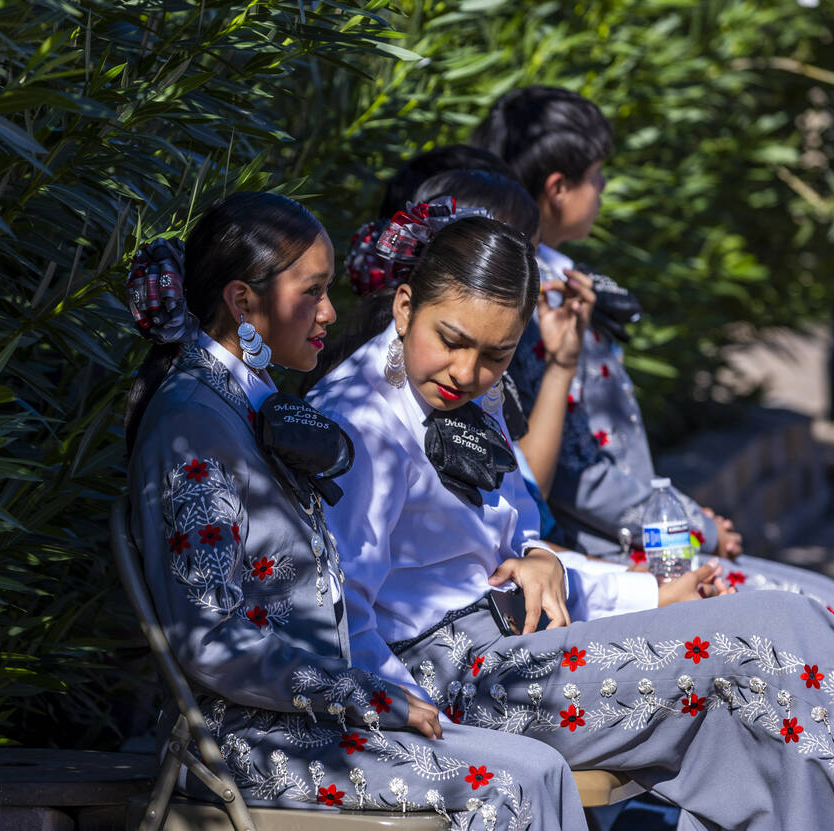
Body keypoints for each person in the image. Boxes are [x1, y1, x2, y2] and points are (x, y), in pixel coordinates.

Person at [309, 213, 834, 831]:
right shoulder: (358, 421)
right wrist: (414, 718)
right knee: (771, 632)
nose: (468, 372)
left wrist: (538, 556)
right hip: (457, 684)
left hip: (514, 647)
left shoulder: (467, 393)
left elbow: (513, 523)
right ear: (402, 306)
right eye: (452, 341)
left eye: (496, 355)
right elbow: (342, 611)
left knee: (749, 737)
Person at [124, 191, 588, 830]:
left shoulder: (242, 405)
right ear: (242, 301)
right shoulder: (192, 423)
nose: (329, 312)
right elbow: (206, 636)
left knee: (539, 768)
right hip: (248, 738)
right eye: (312, 292)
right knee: (509, 783)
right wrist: (361, 692)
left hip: (311, 717)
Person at [471, 86, 834, 628]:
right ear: (558, 188)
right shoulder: (537, 299)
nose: (603, 189)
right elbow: (574, 476)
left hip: (621, 542)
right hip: (597, 551)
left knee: (824, 601)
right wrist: (694, 526)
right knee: (824, 611)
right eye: (598, 175)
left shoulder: (562, 284)